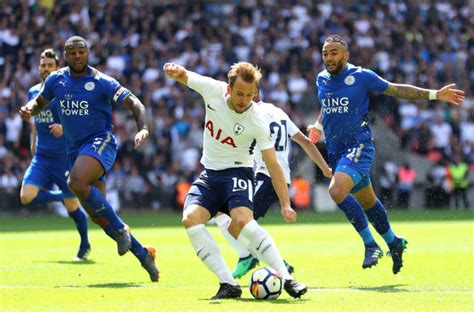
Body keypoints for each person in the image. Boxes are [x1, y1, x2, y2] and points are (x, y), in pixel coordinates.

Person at [307, 35, 464, 274]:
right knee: (368, 202)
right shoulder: (322, 79)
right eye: (326, 53)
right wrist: (318, 126)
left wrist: (434, 94)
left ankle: (371, 244)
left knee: (337, 190)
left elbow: (396, 90)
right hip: (337, 151)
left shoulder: (362, 76)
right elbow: (327, 105)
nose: (329, 57)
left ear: (346, 55)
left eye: (334, 52)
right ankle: (394, 242)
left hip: (359, 146)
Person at [163, 61, 307, 299]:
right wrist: (174, 71)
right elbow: (185, 75)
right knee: (190, 219)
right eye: (239, 93)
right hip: (209, 174)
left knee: (242, 220)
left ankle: (287, 279)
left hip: (238, 173)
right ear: (228, 89)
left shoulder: (257, 119)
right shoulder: (212, 89)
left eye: (249, 95)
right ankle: (228, 284)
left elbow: (273, 164)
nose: (243, 100)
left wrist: (285, 204)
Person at [19, 36, 158, 282]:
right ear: (66, 56)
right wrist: (29, 108)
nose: (78, 57)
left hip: (100, 143)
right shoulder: (56, 80)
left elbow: (135, 103)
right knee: (97, 214)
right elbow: (39, 101)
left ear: (88, 53)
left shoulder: (102, 81)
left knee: (76, 183)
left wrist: (143, 128)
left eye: (82, 52)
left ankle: (121, 229)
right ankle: (144, 254)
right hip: (75, 152)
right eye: (72, 53)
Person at [213, 89, 332, 279]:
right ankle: (256, 257)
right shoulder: (278, 112)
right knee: (223, 212)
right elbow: (306, 142)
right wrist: (325, 168)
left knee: (235, 223)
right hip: (271, 177)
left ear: (252, 93)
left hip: (267, 177)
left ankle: (256, 258)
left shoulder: (252, 114)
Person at [19, 48, 91, 261]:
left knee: (73, 208)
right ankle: (63, 196)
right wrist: (33, 144)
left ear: (57, 67)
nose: (46, 68)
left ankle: (84, 244)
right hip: (42, 156)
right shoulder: (33, 92)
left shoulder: (65, 91)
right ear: (39, 68)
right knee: (26, 197)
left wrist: (63, 127)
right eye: (43, 65)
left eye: (50, 65)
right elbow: (34, 120)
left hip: (63, 158)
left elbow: (80, 120)